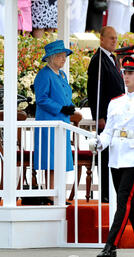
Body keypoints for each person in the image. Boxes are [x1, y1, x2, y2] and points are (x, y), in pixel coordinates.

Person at [91, 56, 134, 257]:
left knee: (123, 200)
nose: (126, 76)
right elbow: (109, 132)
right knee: (132, 203)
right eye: (125, 72)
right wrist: (99, 142)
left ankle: (111, 245)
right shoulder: (115, 103)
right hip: (117, 157)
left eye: (131, 73)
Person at [87, 26, 125, 203]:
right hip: (106, 117)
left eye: (116, 38)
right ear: (101, 39)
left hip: (117, 116)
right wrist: (99, 116)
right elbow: (94, 91)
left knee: (115, 155)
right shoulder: (98, 60)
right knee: (105, 155)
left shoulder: (112, 58)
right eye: (111, 38)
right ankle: (105, 193)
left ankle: (112, 191)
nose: (114, 41)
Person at [33, 40, 75, 198]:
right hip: (49, 123)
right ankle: (51, 195)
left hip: (62, 122)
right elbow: (42, 99)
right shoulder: (44, 75)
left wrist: (69, 106)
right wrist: (60, 108)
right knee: (51, 160)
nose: (63, 59)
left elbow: (65, 95)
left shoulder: (62, 74)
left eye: (64, 56)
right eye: (59, 56)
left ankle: (59, 194)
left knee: (61, 159)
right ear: (50, 58)